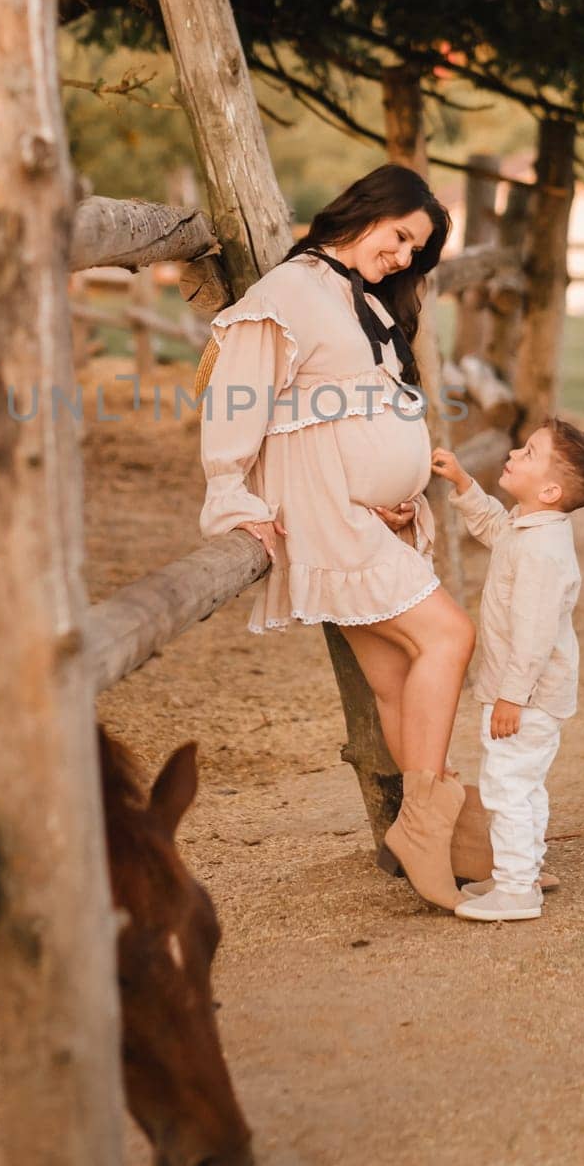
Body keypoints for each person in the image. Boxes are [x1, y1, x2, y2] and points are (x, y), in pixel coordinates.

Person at [198, 164, 476, 912]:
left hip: (360, 511)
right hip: (319, 504)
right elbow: (236, 395)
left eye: (415, 252)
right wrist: (228, 491)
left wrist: (394, 491)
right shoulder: (291, 293)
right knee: (449, 637)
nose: (402, 258)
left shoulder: (368, 306)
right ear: (366, 212)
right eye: (400, 238)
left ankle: (452, 843)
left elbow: (361, 408)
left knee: (394, 677)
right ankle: (431, 824)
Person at [431, 418, 584, 923]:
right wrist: (466, 486)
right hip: (526, 691)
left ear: (551, 490)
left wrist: (511, 696)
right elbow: (494, 527)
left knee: (506, 785)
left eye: (529, 453)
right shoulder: (529, 526)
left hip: (525, 694)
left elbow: (534, 634)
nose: (513, 453)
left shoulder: (542, 552)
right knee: (522, 783)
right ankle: (523, 871)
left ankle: (516, 891)